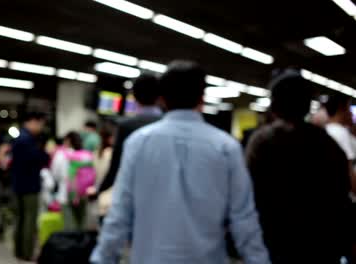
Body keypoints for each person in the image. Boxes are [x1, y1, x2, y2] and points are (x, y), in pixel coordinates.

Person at [91, 61, 270, 264]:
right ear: (202, 97)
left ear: (162, 99)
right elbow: (243, 218)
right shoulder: (226, 147)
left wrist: (103, 257)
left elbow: (120, 212)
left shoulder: (138, 143)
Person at [246, 70, 353, 263]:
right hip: (321, 246)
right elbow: (341, 196)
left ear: (274, 106)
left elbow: (248, 195)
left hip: (274, 243)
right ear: (307, 104)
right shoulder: (327, 143)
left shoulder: (262, 142)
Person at [96, 73, 162, 196]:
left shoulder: (126, 126)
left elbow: (116, 167)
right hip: (163, 192)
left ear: (134, 95)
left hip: (135, 191)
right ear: (160, 96)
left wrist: (99, 190)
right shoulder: (167, 123)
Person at [10, 112, 49, 261]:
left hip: (17, 184)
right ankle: (27, 253)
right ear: (33, 121)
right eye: (40, 124)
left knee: (19, 219)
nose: (41, 128)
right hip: (29, 185)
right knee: (29, 220)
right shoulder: (28, 140)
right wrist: (45, 153)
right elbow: (39, 159)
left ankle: (18, 251)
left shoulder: (18, 138)